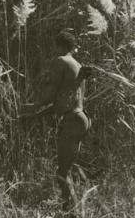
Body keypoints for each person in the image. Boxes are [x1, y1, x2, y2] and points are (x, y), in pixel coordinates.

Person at [24, 30, 92, 207]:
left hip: (72, 120)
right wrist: (36, 115)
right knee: (65, 171)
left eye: (55, 47)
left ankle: (72, 213)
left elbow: (52, 95)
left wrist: (33, 106)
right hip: (80, 119)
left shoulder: (61, 61)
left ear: (59, 46)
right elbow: (63, 103)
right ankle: (71, 211)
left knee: (62, 173)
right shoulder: (77, 65)